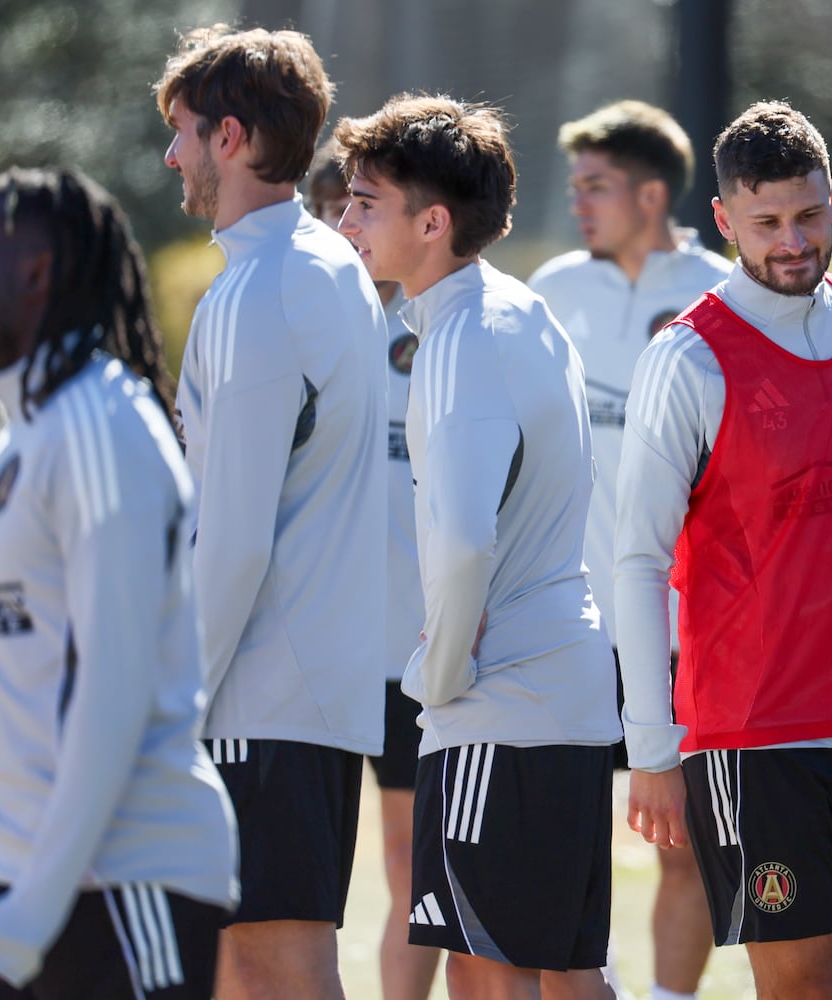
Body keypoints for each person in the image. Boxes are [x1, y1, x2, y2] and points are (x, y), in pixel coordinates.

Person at [332, 93, 621, 999]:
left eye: (363, 202)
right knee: (570, 974)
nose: (343, 222)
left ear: (432, 220)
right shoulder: (518, 309)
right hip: (566, 694)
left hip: (501, 708)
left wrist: (442, 675)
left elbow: (462, 542)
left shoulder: (459, 336)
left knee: (487, 975)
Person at [0, 167, 238, 998]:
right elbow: (27, 728)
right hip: (37, 878)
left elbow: (114, 692)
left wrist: (24, 913)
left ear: (34, 271)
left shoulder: (102, 428)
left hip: (126, 881)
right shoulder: (24, 443)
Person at [615, 100, 832, 998]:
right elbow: (637, 560)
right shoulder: (689, 357)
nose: (793, 242)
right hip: (755, 737)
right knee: (801, 983)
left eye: (809, 216)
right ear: (725, 221)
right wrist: (654, 749)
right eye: (768, 223)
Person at [154, 25, 388, 1000]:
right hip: (304, 687)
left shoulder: (261, 288)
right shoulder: (318, 264)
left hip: (261, 692)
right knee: (249, 963)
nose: (171, 156)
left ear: (233, 138)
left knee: (275, 961)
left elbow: (235, 536)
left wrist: (173, 708)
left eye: (182, 133)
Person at [526, 99, 731, 1000]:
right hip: (571, 625)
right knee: (566, 850)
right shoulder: (556, 289)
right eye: (576, 187)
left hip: (689, 630)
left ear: (652, 194)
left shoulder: (725, 292)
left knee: (680, 846)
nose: (580, 203)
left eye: (596, 187)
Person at [305, 140, 439, 1000]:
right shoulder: (299, 326)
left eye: (358, 212)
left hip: (410, 650)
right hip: (314, 657)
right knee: (297, 884)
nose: (347, 232)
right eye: (332, 216)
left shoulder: (435, 324)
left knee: (410, 866)